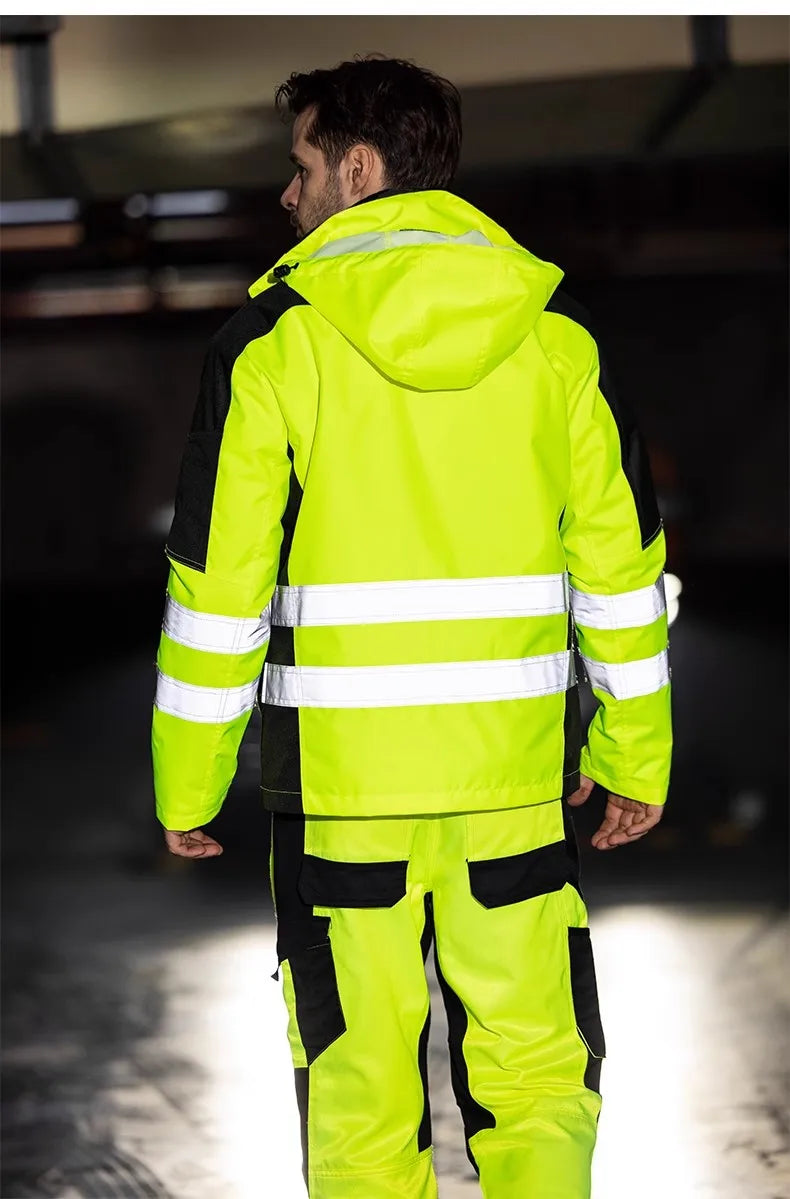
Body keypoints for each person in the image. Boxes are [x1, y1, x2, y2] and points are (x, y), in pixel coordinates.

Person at [151, 56, 671, 1199]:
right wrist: (633, 755)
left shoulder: (272, 345)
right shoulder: (554, 338)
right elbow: (622, 574)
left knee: (358, 1089)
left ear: (358, 168)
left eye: (301, 166)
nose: (287, 193)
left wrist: (188, 780)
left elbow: (218, 590)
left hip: (343, 804)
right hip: (512, 790)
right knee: (538, 1078)